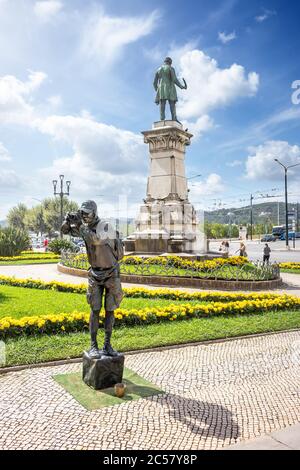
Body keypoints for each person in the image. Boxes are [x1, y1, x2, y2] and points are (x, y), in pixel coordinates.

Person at [61, 200, 124, 359]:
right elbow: (65, 231)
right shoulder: (85, 227)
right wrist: (68, 222)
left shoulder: (105, 226)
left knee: (110, 309)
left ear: (95, 213)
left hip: (111, 273)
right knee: (94, 309)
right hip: (95, 274)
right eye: (82, 213)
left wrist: (80, 226)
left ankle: (107, 345)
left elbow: (95, 240)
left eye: (87, 214)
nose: (84, 216)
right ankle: (93, 346)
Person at [153, 57, 187, 121]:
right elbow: (174, 79)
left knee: (162, 104)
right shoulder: (170, 68)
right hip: (170, 87)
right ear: (170, 62)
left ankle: (162, 119)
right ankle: (174, 118)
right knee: (172, 103)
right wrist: (181, 86)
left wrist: (158, 90)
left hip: (161, 89)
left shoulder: (158, 70)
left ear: (164, 62)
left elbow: (154, 83)